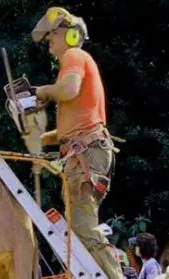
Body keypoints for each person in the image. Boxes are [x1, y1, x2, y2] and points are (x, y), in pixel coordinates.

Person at [30, 6, 121, 278]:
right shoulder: (75, 62)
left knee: (83, 228)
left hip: (87, 152)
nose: (49, 45)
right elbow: (68, 130)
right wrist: (40, 139)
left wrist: (42, 91)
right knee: (80, 226)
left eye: (52, 38)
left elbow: (68, 90)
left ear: (67, 36)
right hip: (86, 149)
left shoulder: (74, 55)